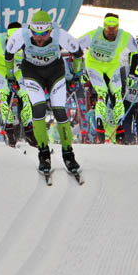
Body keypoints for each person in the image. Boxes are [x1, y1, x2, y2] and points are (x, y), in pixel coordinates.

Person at [5, 10, 85, 178]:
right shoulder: (22, 34)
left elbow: (78, 53)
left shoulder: (60, 35)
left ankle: (68, 154)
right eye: (35, 34)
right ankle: (43, 154)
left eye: (43, 34)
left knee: (59, 111)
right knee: (38, 110)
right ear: (30, 30)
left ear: (50, 30)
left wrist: (77, 75)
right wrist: (10, 76)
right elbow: (8, 55)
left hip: (55, 72)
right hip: (32, 72)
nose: (39, 39)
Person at [77, 13, 138, 144]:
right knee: (102, 92)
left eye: (114, 30)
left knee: (117, 95)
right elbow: (75, 46)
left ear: (118, 27)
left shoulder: (125, 36)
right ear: (104, 27)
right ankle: (100, 127)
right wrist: (82, 71)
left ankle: (120, 127)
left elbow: (136, 51)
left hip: (112, 65)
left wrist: (133, 73)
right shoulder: (94, 34)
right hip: (94, 65)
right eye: (108, 30)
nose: (111, 33)